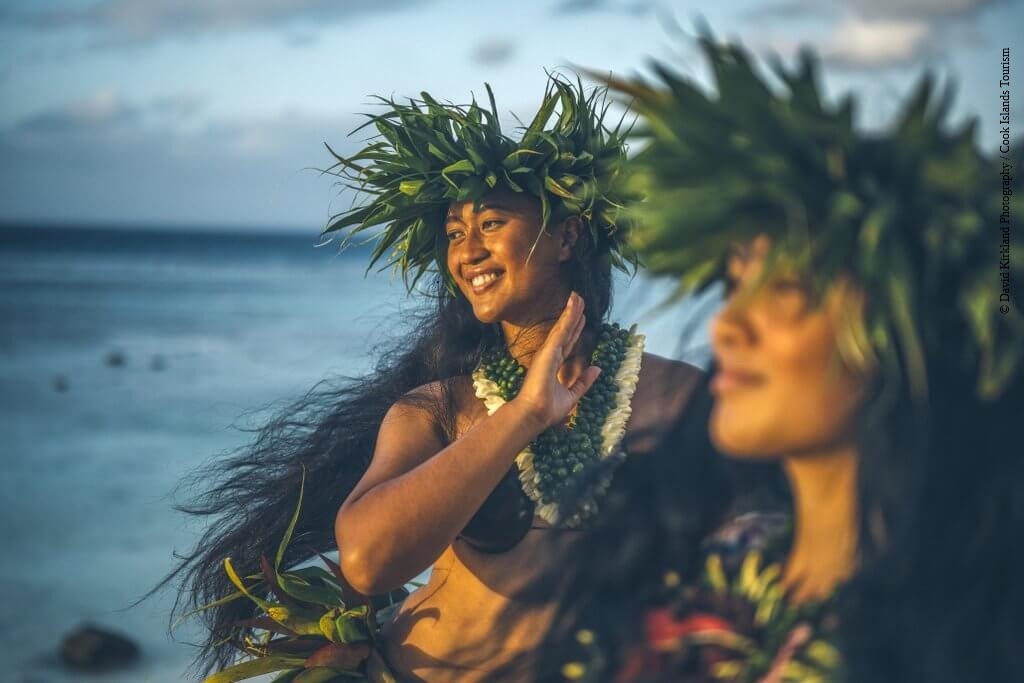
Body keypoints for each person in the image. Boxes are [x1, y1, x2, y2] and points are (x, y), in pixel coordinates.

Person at [165, 76, 713, 681]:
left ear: (566, 236)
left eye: (491, 223)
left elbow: (755, 549)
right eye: (455, 233)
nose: (467, 252)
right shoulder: (438, 409)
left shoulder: (679, 398)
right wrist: (524, 415)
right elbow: (369, 561)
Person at [539, 36, 1023, 682]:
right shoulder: (689, 577)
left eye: (787, 287)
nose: (728, 325)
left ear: (908, 328)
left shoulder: (972, 637)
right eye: (737, 282)